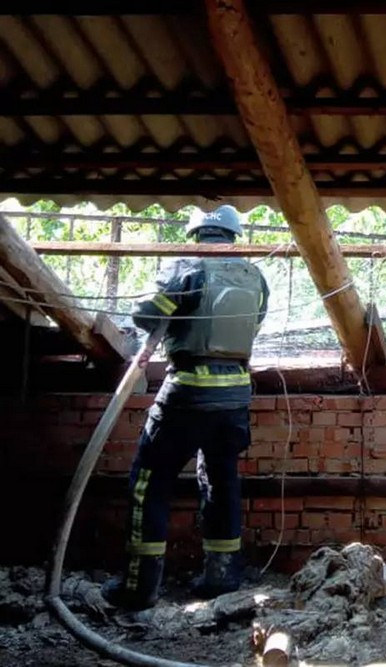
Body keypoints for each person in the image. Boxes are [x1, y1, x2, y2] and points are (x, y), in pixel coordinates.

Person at [101, 205, 269, 611]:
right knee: (221, 479)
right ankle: (222, 576)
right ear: (234, 235)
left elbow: (146, 314)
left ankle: (140, 588)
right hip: (235, 395)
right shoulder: (255, 276)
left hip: (189, 391)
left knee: (149, 481)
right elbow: (255, 322)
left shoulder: (185, 266)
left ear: (194, 232)